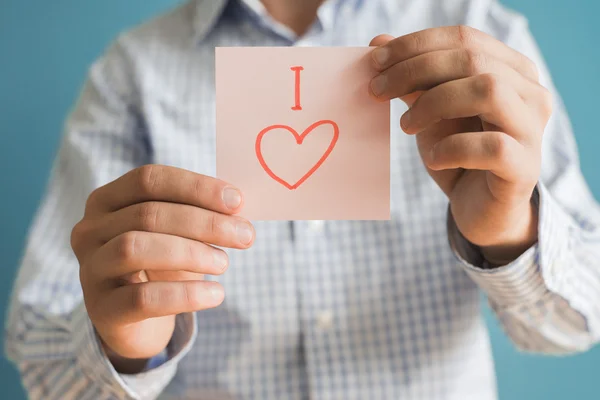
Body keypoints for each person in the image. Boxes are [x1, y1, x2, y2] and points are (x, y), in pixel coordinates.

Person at [5, 0, 600, 398]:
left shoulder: (483, 41)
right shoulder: (131, 76)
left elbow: (580, 320)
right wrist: (123, 345)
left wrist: (510, 230)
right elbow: (38, 354)